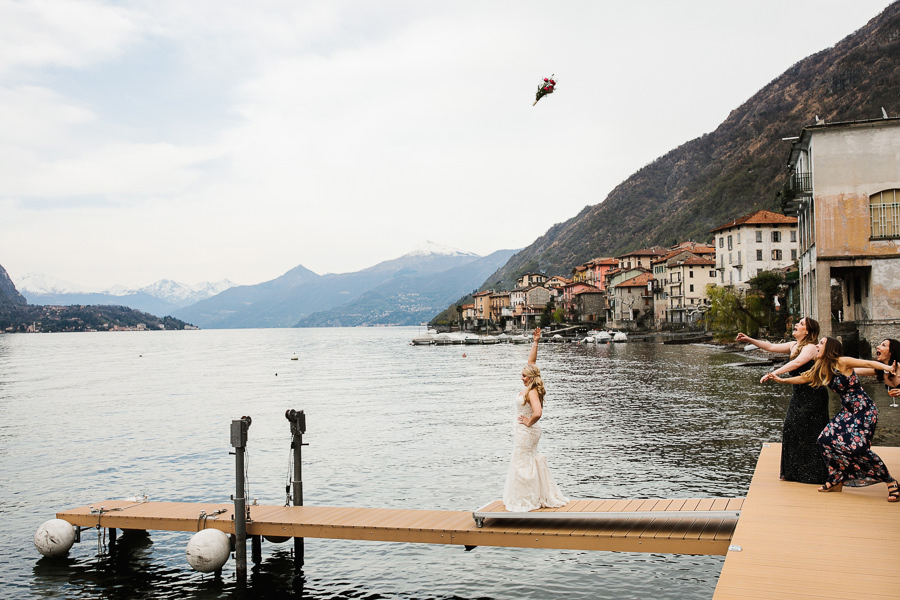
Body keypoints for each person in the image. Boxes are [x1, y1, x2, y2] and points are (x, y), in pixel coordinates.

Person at [763, 337, 900, 501]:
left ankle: (890, 482)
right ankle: (836, 479)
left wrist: (887, 367)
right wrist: (781, 379)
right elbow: (805, 378)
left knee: (858, 449)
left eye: (820, 343)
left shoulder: (842, 361)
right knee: (824, 440)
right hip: (847, 412)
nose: (816, 346)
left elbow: (869, 364)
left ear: (829, 348)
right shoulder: (823, 368)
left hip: (864, 410)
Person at [737, 317, 828, 483]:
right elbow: (770, 346)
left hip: (814, 396)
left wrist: (775, 373)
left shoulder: (810, 347)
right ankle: (792, 472)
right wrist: (749, 339)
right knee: (791, 429)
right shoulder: (794, 345)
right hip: (798, 395)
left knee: (810, 432)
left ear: (807, 331)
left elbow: (798, 363)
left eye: (800, 324)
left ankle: (814, 474)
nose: (796, 325)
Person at [502, 327, 569, 512]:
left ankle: (527, 498)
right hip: (524, 430)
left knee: (522, 463)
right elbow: (531, 363)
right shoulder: (531, 384)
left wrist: (528, 422)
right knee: (524, 461)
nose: (521, 378)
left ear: (530, 377)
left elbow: (538, 413)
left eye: (524, 376)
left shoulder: (531, 391)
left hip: (527, 431)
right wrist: (535, 342)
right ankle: (530, 495)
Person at [854, 338, 900, 406]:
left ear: (891, 352)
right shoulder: (881, 369)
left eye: (883, 345)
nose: (878, 346)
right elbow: (855, 370)